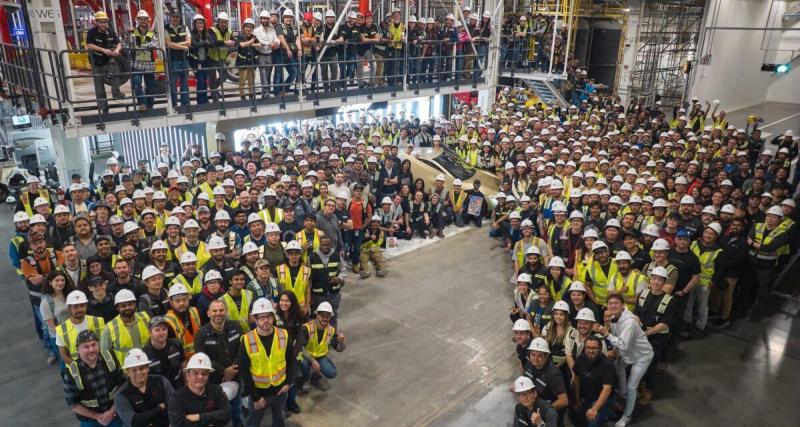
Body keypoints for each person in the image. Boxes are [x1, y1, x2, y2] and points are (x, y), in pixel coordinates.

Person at [595, 294, 653, 427]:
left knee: (632, 386)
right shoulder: (614, 318)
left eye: (616, 303)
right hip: (629, 354)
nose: (613, 305)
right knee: (618, 365)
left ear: (623, 305)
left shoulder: (630, 322)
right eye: (610, 303)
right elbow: (618, 338)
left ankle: (627, 416)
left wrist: (606, 334)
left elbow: (623, 344)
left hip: (642, 356)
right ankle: (623, 393)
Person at [238, 298, 294, 427]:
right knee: (253, 422)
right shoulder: (247, 340)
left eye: (268, 316)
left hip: (280, 391)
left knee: (279, 419)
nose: (266, 320)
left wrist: (288, 383)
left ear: (273, 317)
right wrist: (255, 397)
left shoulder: (283, 335)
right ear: (255, 319)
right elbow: (244, 371)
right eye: (261, 317)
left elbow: (291, 361)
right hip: (258, 393)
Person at [193, 299, 245, 427]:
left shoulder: (236, 326)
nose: (218, 313)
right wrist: (224, 371)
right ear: (208, 313)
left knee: (237, 408)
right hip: (213, 380)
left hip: (236, 375)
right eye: (214, 311)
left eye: (221, 310)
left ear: (226, 311)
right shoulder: (201, 334)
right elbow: (202, 357)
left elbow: (243, 349)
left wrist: (233, 370)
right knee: (218, 412)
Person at [62, 330, 125, 427]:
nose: (91, 349)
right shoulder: (71, 372)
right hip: (90, 421)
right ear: (78, 349)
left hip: (114, 414)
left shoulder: (110, 359)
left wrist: (111, 411)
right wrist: (97, 416)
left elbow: (123, 385)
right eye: (86, 347)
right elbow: (73, 404)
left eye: (94, 345)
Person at [634, 266, 677, 404]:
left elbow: (664, 323)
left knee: (651, 365)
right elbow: (636, 313)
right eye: (654, 278)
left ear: (664, 282)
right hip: (641, 336)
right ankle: (639, 384)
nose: (656, 282)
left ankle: (648, 390)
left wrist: (647, 332)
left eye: (660, 280)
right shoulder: (643, 293)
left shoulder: (669, 301)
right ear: (650, 279)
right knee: (638, 362)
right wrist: (638, 327)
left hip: (656, 339)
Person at [168, 352, 232, 426]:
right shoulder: (176, 397)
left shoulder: (217, 390)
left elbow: (226, 414)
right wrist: (212, 420)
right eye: (195, 373)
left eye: (204, 373)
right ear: (187, 375)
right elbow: (178, 423)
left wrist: (198, 417)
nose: (200, 376)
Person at [114, 348, 174, 427]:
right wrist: (159, 408)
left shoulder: (161, 381)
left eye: (142, 368)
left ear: (148, 368)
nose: (139, 372)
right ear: (128, 372)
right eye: (134, 370)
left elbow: (175, 407)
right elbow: (135, 422)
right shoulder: (121, 395)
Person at [571, 336, 615, 427]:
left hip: (601, 398)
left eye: (595, 348)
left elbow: (607, 389)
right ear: (584, 348)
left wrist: (594, 409)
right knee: (580, 421)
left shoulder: (607, 364)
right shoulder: (580, 359)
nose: (591, 351)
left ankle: (607, 416)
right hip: (586, 396)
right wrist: (577, 399)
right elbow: (576, 379)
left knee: (592, 421)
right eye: (588, 347)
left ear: (600, 349)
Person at [299, 302, 345, 390]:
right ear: (317, 315)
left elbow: (339, 349)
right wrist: (313, 361)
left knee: (332, 372)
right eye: (322, 315)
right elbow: (300, 348)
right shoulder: (307, 328)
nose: (324, 319)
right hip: (303, 355)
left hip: (319, 356)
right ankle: (305, 379)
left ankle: (314, 377)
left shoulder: (330, 330)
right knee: (304, 363)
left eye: (327, 316)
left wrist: (341, 342)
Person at [522, 337, 568, 425]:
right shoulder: (529, 364)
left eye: (540, 356)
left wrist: (544, 411)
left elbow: (564, 400)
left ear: (547, 356)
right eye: (533, 355)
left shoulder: (553, 375)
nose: (535, 359)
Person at [85, 11, 123, 114]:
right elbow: (89, 45)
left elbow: (119, 43)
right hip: (96, 60)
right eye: (101, 22)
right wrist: (103, 50)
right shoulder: (92, 32)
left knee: (116, 68)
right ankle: (104, 108)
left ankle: (116, 93)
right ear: (96, 22)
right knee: (99, 85)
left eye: (105, 22)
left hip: (108, 59)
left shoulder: (110, 31)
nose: (104, 24)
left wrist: (117, 50)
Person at [101, 289, 151, 363]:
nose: (127, 308)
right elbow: (104, 351)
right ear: (117, 308)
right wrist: (114, 369)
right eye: (123, 306)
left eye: (130, 304)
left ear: (135, 305)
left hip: (146, 364)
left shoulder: (145, 318)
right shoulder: (110, 327)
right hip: (125, 368)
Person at [57, 290, 107, 365]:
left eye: (82, 306)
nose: (79, 309)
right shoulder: (61, 329)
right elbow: (64, 355)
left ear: (86, 306)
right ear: (69, 309)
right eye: (75, 307)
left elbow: (105, 345)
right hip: (78, 367)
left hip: (100, 363)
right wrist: (79, 368)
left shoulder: (98, 321)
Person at [143, 315, 185, 389]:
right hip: (158, 390)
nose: (161, 332)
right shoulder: (144, 353)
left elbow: (183, 367)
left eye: (164, 329)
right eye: (157, 330)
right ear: (150, 332)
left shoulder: (176, 344)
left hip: (178, 387)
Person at [164, 282, 203, 358]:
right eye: (177, 301)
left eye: (184, 300)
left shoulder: (194, 311)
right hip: (183, 360)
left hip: (200, 356)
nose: (182, 303)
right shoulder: (168, 320)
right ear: (171, 303)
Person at [129, 10, 159, 111]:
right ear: (137, 20)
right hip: (136, 63)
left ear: (148, 21)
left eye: (145, 19)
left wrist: (141, 46)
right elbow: (132, 46)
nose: (143, 21)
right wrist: (146, 46)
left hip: (149, 63)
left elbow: (154, 44)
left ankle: (150, 106)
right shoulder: (133, 33)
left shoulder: (151, 33)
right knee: (136, 83)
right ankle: (142, 103)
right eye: (141, 19)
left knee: (150, 86)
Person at [165, 11, 192, 110]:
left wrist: (175, 45)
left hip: (184, 60)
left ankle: (185, 104)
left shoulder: (185, 27)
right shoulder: (166, 28)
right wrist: (183, 47)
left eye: (177, 17)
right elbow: (168, 44)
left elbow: (189, 42)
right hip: (172, 60)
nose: (176, 19)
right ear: (170, 17)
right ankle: (174, 104)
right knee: (173, 83)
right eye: (174, 17)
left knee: (184, 83)